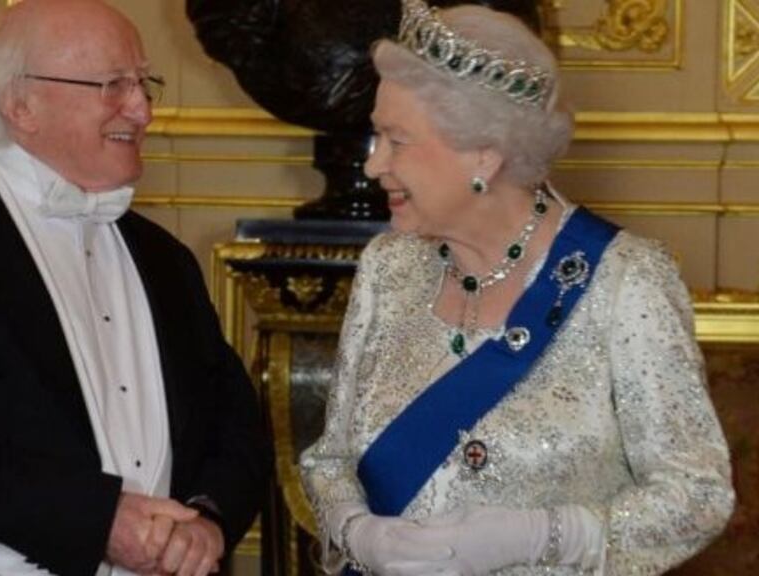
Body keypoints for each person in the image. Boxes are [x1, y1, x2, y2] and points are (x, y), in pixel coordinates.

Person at [0, 1, 271, 575]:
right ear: (21, 105)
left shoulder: (165, 258)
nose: (142, 111)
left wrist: (207, 519)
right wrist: (99, 523)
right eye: (114, 85)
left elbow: (236, 429)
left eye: (143, 84)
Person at [300, 1, 736, 575]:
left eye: (395, 139)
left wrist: (541, 536)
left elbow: (699, 496)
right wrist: (357, 532)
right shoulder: (389, 268)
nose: (374, 164)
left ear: (483, 152)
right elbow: (330, 462)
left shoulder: (626, 281)